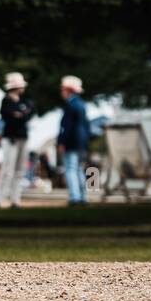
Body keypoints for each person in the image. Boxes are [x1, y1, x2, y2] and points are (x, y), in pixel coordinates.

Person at [0, 72, 35, 208]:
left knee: (19, 170)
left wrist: (19, 116)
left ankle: (15, 199)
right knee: (7, 169)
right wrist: (18, 116)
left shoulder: (25, 101)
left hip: (22, 137)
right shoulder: (6, 101)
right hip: (10, 138)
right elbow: (9, 117)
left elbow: (27, 114)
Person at [56, 75, 91, 205]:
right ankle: (82, 196)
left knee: (71, 169)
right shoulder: (81, 105)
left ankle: (75, 197)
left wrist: (61, 142)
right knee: (79, 169)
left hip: (71, 142)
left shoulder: (71, 105)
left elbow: (67, 126)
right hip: (81, 143)